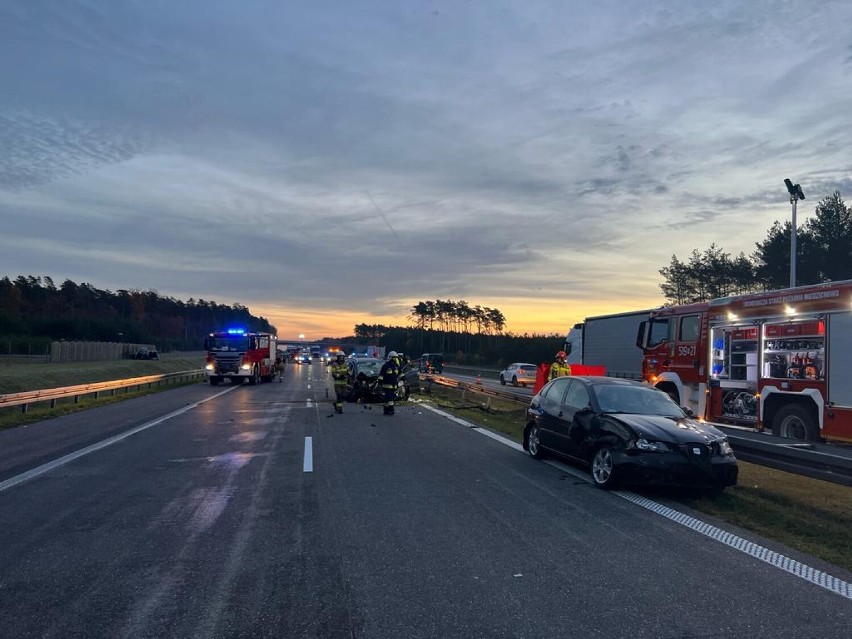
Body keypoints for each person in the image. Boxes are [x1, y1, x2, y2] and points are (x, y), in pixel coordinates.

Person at [378, 351, 402, 415]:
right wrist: (380, 382)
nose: (396, 359)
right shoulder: (386, 366)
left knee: (389, 399)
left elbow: (400, 373)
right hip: (387, 386)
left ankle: (386, 409)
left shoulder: (396, 366)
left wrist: (403, 378)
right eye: (395, 358)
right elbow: (381, 375)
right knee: (390, 399)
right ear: (391, 357)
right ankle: (391, 410)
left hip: (394, 386)